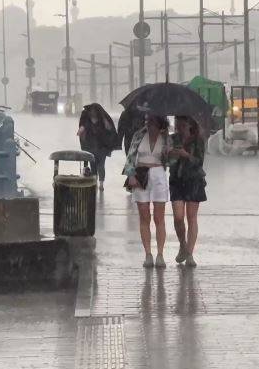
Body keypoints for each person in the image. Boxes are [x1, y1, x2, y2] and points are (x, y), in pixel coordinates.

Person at [123, 114, 172, 268]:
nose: (149, 124)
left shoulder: (166, 138)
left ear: (160, 123)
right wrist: (131, 175)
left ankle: (160, 255)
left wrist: (169, 151)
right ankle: (148, 254)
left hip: (158, 176)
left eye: (152, 121)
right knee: (144, 216)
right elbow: (130, 157)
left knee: (159, 217)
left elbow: (171, 161)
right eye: (147, 121)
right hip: (141, 175)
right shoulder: (138, 135)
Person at [169, 115, 207, 267]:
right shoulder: (172, 139)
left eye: (183, 125)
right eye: (178, 124)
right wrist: (170, 154)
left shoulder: (198, 140)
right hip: (176, 181)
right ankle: (182, 244)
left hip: (194, 181)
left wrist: (187, 156)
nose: (180, 128)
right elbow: (166, 160)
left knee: (191, 217)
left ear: (190, 125)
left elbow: (199, 162)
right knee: (178, 217)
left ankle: (190, 253)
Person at [78, 103, 117, 191]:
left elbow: (110, 130)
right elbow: (83, 127)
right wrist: (82, 129)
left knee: (101, 165)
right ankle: (95, 182)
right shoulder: (87, 120)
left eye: (95, 111)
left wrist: (107, 125)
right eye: (91, 111)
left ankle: (101, 184)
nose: (93, 112)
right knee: (93, 165)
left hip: (102, 147)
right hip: (91, 147)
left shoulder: (103, 120)